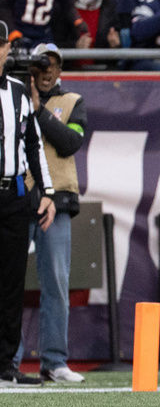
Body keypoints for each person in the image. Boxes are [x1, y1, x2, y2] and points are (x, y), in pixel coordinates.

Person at [16, 43, 87, 383]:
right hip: (16, 197)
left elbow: (70, 143)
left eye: (53, 65)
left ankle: (55, 360)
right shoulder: (11, 98)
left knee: (56, 282)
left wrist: (37, 110)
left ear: (60, 70)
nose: (46, 71)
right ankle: (8, 361)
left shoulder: (72, 101)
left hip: (56, 200)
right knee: (9, 282)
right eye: (40, 64)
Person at [0, 20, 56, 387]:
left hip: (12, 196)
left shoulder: (19, 92)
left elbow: (33, 145)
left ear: (6, 50)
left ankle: (6, 363)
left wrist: (48, 193)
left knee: (11, 283)